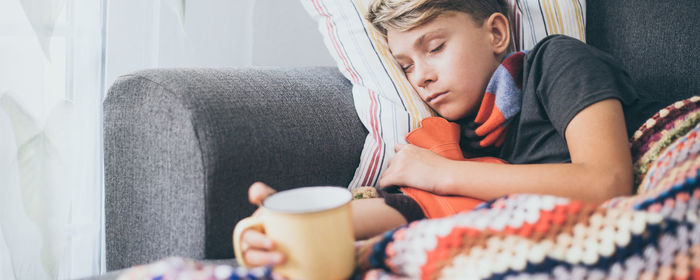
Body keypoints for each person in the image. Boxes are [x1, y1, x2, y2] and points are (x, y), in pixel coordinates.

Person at [235, 0, 662, 268]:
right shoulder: (461, 141)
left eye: (435, 47)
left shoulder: (557, 62)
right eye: (405, 66)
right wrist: (281, 229)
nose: (421, 77)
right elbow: (413, 208)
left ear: (496, 32)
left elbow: (607, 182)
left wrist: (442, 174)